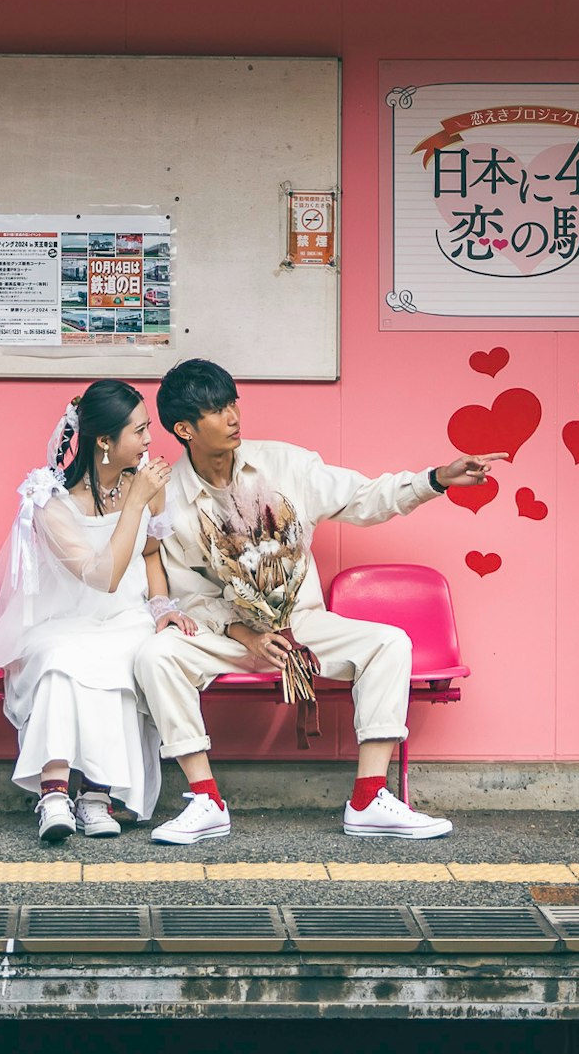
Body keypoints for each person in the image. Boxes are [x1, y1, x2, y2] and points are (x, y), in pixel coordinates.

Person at [132, 356, 505, 846]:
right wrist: (245, 631)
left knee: (389, 642)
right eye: (216, 411)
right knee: (154, 655)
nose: (233, 417)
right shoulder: (172, 500)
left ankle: (370, 799)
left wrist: (435, 478)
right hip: (233, 636)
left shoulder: (287, 465)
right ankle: (205, 800)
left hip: (303, 626)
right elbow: (189, 593)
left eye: (232, 403)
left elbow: (365, 497)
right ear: (184, 428)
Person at [0, 378, 177, 843]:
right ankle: (54, 793)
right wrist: (132, 504)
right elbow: (101, 576)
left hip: (127, 617)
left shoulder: (148, 488)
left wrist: (162, 607)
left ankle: (95, 795)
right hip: (66, 619)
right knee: (59, 659)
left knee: (118, 657)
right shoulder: (50, 501)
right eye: (139, 430)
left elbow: (150, 555)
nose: (150, 440)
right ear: (105, 442)